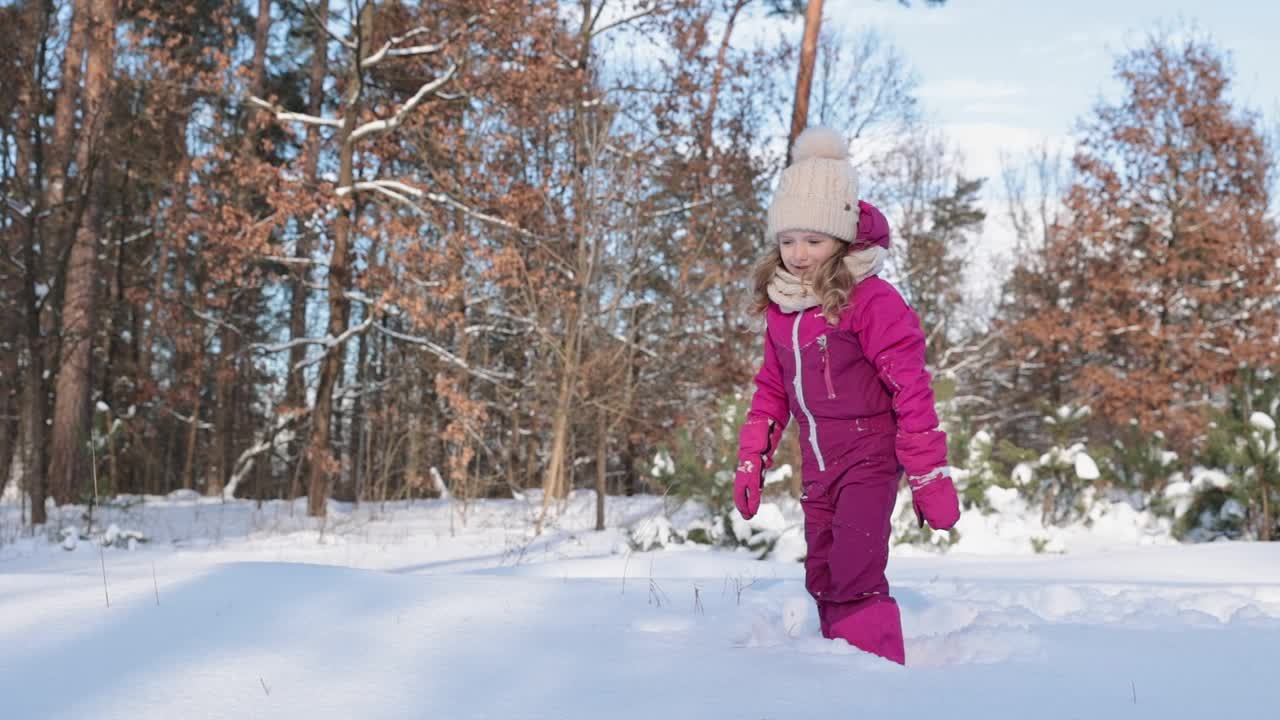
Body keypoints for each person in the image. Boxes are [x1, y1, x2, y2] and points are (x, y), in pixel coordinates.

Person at [733, 126, 960, 665]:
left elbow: (911, 389)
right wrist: (751, 459)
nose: (799, 254)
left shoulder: (872, 300)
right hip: (817, 460)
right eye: (788, 240)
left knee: (856, 570)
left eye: (813, 240)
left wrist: (929, 473)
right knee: (824, 570)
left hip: (870, 453)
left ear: (840, 238)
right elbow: (771, 389)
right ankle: (833, 671)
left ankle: (874, 682)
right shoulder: (783, 307)